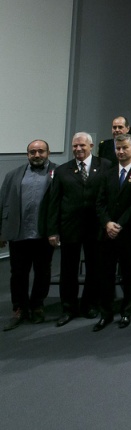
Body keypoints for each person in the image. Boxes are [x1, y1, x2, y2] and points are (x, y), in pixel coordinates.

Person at [47, 132, 113, 326]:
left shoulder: (106, 166)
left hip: (96, 227)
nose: (78, 149)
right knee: (68, 270)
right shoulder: (62, 170)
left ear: (91, 146)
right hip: (70, 227)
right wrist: (53, 230)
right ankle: (68, 308)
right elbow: (54, 202)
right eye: (75, 146)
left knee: (94, 268)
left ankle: (89, 304)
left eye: (82, 146)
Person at [1, 140, 57, 331]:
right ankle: (19, 308)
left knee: (42, 272)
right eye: (32, 152)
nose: (37, 155)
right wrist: (2, 232)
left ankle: (37, 306)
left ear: (48, 153)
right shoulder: (13, 175)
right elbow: (3, 202)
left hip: (44, 234)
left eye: (41, 151)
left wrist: (56, 230)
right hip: (19, 233)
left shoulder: (58, 173)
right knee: (17, 273)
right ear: (27, 154)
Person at [93, 134, 131, 331]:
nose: (120, 152)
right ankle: (106, 313)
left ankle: (126, 311)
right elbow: (99, 202)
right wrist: (107, 223)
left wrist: (119, 224)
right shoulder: (107, 173)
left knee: (128, 275)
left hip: (128, 233)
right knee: (105, 274)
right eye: (118, 148)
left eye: (124, 148)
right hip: (107, 233)